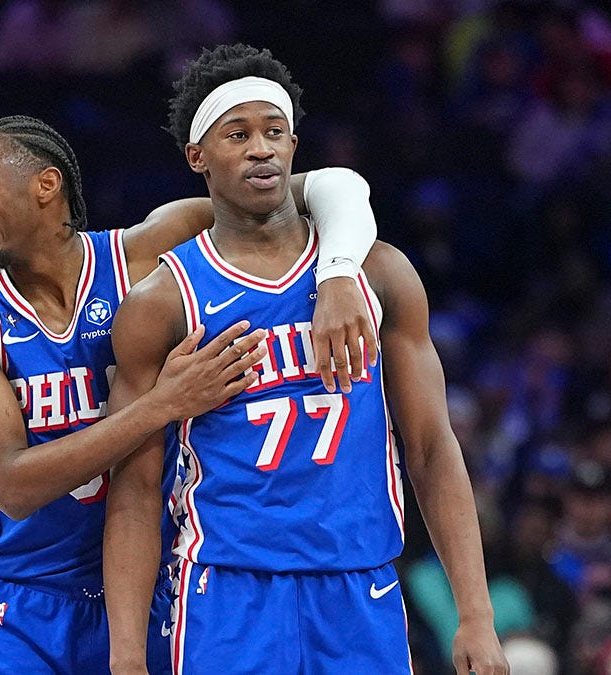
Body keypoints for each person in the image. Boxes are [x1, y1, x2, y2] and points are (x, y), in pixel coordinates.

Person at [0, 112, 380, 673]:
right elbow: (12, 485)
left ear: (46, 184)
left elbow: (331, 187)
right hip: (21, 600)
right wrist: (162, 405)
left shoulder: (147, 254)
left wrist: (337, 272)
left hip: (153, 589)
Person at [102, 43, 508, 674]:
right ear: (197, 156)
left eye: (274, 132)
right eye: (237, 135)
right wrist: (126, 654)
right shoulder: (163, 300)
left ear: (294, 146)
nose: (260, 149)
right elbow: (134, 489)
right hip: (226, 586)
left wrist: (475, 615)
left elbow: (431, 448)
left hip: (360, 580)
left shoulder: (380, 273)